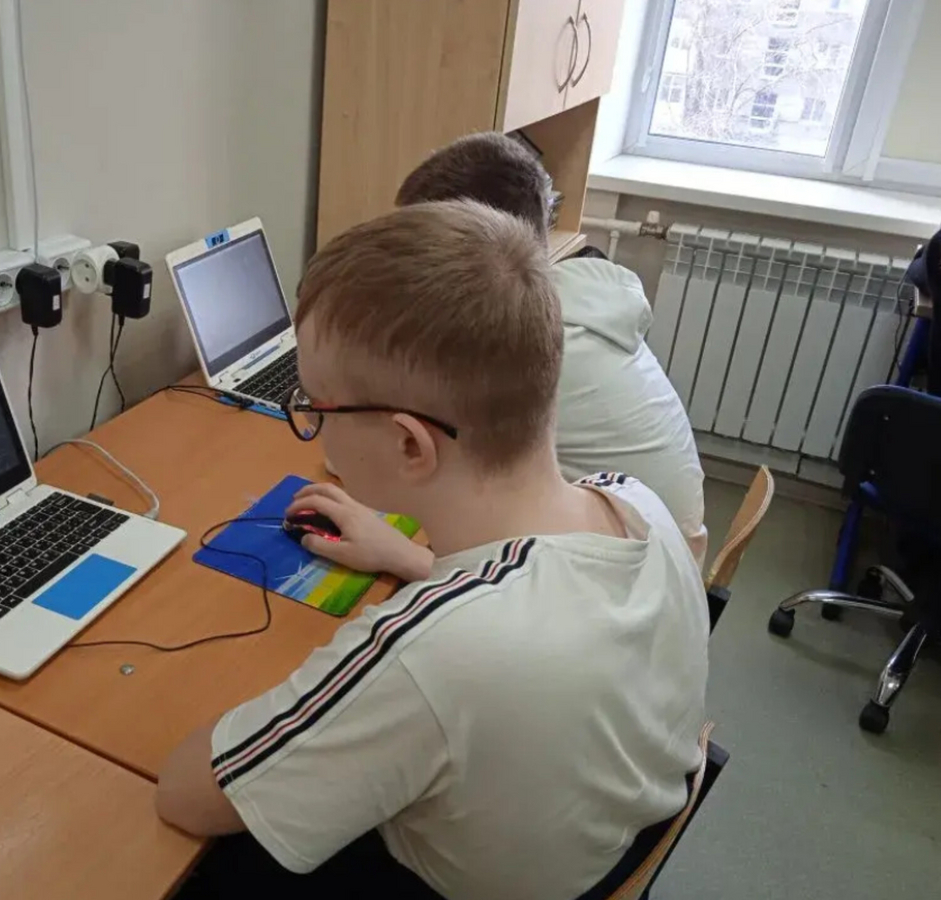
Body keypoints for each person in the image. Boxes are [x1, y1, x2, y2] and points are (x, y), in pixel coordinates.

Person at [157, 201, 710, 900]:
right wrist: (410, 559)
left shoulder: (428, 652)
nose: (309, 422)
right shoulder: (638, 507)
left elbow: (186, 794)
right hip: (590, 846)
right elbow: (538, 604)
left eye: (315, 405)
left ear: (408, 443)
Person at [396, 132, 708, 566]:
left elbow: (402, 461)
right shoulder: (580, 301)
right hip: (667, 555)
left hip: (631, 581)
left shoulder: (514, 343)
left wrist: (398, 554)